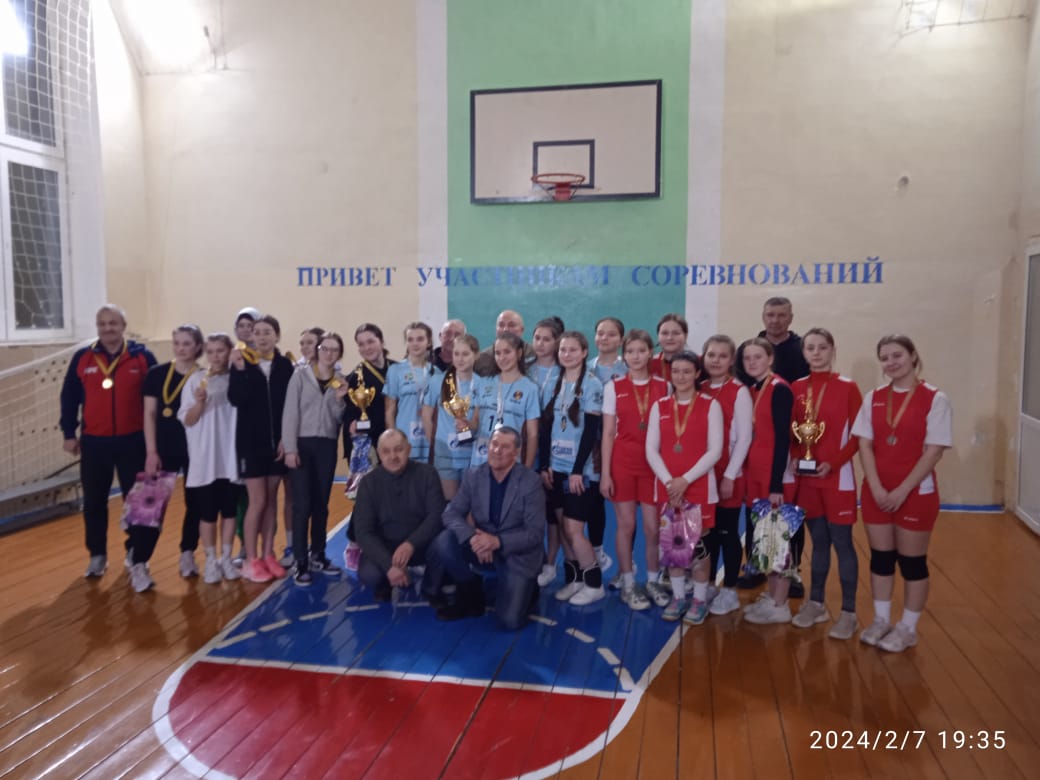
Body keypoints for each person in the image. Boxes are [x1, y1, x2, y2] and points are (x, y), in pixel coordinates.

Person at [854, 335, 952, 652]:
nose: (891, 362)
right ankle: (881, 620)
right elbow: (864, 445)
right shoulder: (873, 398)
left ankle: (908, 628)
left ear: (912, 356)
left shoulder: (935, 398)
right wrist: (876, 487)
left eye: (897, 355)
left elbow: (934, 451)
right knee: (882, 559)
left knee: (912, 563)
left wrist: (901, 490)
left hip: (915, 493)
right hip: (877, 492)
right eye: (884, 358)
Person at [60, 304, 157, 578]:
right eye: (102, 324)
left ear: (123, 326)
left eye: (113, 323)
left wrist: (156, 443)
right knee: (94, 502)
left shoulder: (142, 357)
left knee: (137, 501)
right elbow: (69, 398)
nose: (107, 328)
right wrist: (69, 433)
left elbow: (156, 401)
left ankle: (136, 551)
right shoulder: (83, 358)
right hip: (94, 443)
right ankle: (97, 555)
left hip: (134, 441)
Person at [426, 427, 546, 629]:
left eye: (505, 447)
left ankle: (529, 587)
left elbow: (534, 534)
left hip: (517, 555)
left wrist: (496, 542)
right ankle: (471, 593)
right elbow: (451, 513)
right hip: (481, 547)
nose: (497, 450)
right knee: (444, 541)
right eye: (494, 444)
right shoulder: (474, 475)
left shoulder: (530, 482)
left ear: (516, 453)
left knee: (509, 622)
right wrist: (472, 538)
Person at [788, 328, 863, 639]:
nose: (816, 353)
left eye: (822, 347)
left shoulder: (848, 388)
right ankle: (816, 603)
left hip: (837, 478)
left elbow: (858, 435)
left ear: (832, 350)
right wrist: (796, 457)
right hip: (807, 480)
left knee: (842, 543)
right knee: (818, 542)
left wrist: (834, 462)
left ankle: (849, 613)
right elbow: (793, 432)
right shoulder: (796, 387)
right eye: (810, 348)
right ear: (804, 352)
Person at [645, 350, 723, 625]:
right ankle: (679, 597)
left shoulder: (711, 405)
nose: (681, 376)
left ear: (697, 374)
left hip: (699, 487)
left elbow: (715, 450)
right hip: (668, 488)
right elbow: (651, 449)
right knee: (674, 545)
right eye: (676, 371)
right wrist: (670, 482)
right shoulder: (660, 406)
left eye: (687, 371)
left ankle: (699, 600)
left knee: (699, 546)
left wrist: (685, 480)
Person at [600, 329, 670, 610]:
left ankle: (653, 580)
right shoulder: (613, 387)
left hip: (654, 466)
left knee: (653, 528)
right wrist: (606, 473)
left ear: (651, 353)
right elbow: (607, 433)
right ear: (624, 355)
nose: (636, 356)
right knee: (626, 525)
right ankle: (628, 583)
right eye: (630, 351)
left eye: (641, 351)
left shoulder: (664, 386)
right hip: (623, 463)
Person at [539, 331, 605, 605]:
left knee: (574, 529)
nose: (566, 354)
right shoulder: (554, 382)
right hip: (556, 468)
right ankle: (574, 579)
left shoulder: (592, 384)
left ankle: (594, 583)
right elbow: (545, 428)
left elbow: (590, 431)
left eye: (573, 350)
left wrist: (578, 469)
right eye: (563, 350)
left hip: (581, 472)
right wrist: (545, 464)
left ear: (584, 352)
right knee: (562, 528)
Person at [228, 313, 295, 583]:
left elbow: (289, 406)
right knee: (257, 502)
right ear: (251, 336)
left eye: (268, 332)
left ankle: (268, 554)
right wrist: (241, 371)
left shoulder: (285, 365)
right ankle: (251, 558)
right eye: (258, 332)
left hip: (277, 446)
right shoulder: (242, 363)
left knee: (271, 502)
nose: (263, 337)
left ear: (277, 336)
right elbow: (236, 398)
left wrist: (285, 439)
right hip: (250, 446)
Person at [739, 338, 799, 624]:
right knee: (767, 539)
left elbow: (783, 439)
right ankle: (773, 595)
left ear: (770, 358)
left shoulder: (779, 389)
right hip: (757, 473)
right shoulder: (755, 388)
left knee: (778, 540)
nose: (752, 362)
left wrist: (776, 485)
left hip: (774, 477)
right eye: (747, 358)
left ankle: (781, 604)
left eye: (758, 357)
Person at [282, 331, 348, 585]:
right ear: (318, 350)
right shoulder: (300, 376)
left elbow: (338, 418)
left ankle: (318, 554)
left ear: (339, 354)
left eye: (334, 350)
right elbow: (290, 414)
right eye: (325, 348)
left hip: (326, 445)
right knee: (302, 504)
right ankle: (300, 561)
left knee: (321, 503)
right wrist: (290, 449)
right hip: (302, 443)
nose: (329, 353)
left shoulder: (340, 381)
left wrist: (340, 401)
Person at [142, 324, 204, 582]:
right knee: (151, 505)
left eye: (187, 343)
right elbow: (149, 414)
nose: (181, 348)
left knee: (196, 503)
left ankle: (188, 553)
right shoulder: (156, 374)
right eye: (177, 343)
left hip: (194, 450)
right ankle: (140, 560)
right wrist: (151, 451)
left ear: (197, 347)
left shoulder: (203, 377)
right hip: (163, 449)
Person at [351, 430, 445, 599]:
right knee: (369, 574)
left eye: (398, 449)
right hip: (386, 547)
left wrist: (411, 544)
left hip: (421, 545)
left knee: (446, 546)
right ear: (379, 454)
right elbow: (363, 532)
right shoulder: (368, 483)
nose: (393, 456)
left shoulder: (428, 474)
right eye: (386, 451)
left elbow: (436, 516)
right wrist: (388, 566)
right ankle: (388, 581)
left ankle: (431, 585)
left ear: (408, 449)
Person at [179, 333, 242, 585]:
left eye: (221, 350)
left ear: (229, 352)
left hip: (231, 457)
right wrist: (199, 404)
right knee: (207, 513)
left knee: (229, 511)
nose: (216, 356)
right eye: (211, 351)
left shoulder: (237, 379)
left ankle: (226, 558)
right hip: (206, 458)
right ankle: (211, 560)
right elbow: (188, 419)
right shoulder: (196, 380)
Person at [699, 335, 753, 616]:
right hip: (703, 472)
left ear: (731, 360)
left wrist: (730, 475)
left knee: (727, 531)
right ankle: (708, 583)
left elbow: (744, 438)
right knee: (707, 532)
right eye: (711, 355)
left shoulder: (739, 391)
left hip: (728, 471)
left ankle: (730, 589)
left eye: (722, 356)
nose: (716, 360)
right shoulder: (699, 387)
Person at [341, 323, 397, 569]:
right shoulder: (355, 377)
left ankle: (385, 542)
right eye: (361, 344)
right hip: (368, 446)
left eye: (371, 341)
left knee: (391, 498)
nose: (367, 347)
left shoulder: (397, 369)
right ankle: (354, 543)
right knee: (365, 498)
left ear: (381, 341)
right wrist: (352, 426)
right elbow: (349, 413)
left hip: (395, 443)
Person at [470, 332, 540, 468]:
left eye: (507, 352)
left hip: (510, 461)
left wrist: (527, 468)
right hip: (480, 458)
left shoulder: (530, 388)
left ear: (519, 353)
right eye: (498, 353)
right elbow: (475, 422)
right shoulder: (483, 383)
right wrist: (465, 425)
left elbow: (532, 434)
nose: (502, 358)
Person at [423, 334, 480, 500]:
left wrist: (469, 424)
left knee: (470, 503)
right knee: (449, 503)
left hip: (472, 453)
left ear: (476, 355)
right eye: (456, 354)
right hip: (445, 452)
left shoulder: (483, 384)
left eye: (465, 354)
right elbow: (426, 416)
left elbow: (478, 421)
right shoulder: (438, 381)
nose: (460, 359)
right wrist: (434, 443)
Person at [529, 318, 564, 586]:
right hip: (528, 446)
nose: (540, 344)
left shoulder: (565, 372)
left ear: (557, 342)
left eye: (547, 339)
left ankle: (551, 563)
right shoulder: (524, 369)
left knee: (554, 511)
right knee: (531, 511)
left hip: (555, 448)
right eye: (537, 338)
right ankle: (533, 558)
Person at [385, 322, 438, 464]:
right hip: (405, 436)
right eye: (410, 339)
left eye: (420, 339)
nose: (415, 344)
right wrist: (392, 439)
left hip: (429, 436)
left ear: (429, 342)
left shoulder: (436, 372)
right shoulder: (395, 370)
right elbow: (390, 411)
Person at [735, 297, 810, 386]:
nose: (775, 320)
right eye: (770, 315)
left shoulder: (805, 348)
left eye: (781, 315)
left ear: (790, 318)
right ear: (763, 317)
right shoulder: (747, 349)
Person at [473, 309, 535, 376]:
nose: (505, 329)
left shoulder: (534, 354)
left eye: (511, 325)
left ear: (521, 330)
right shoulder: (482, 359)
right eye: (501, 325)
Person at [649, 313, 690, 385]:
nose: (670, 338)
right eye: (665, 333)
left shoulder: (698, 363)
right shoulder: (648, 364)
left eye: (676, 333)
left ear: (685, 336)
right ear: (658, 336)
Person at [588, 317, 628, 385]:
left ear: (621, 340)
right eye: (600, 334)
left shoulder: (629, 369)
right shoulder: (585, 369)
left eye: (611, 335)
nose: (604, 338)